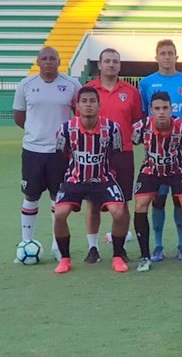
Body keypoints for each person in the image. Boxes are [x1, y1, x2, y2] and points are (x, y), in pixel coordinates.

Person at [14, 47, 81, 262]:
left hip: (60, 152)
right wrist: (36, 132)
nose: (49, 62)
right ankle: (25, 242)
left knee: (57, 199)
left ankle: (57, 245)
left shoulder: (72, 85)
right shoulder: (26, 85)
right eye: (44, 58)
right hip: (32, 151)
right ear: (38, 61)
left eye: (53, 58)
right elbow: (19, 117)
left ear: (60, 61)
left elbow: (79, 114)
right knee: (31, 196)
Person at [52, 87, 128, 274]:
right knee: (59, 214)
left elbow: (117, 155)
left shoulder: (112, 128)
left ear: (99, 105)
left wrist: (112, 176)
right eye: (84, 101)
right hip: (75, 179)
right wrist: (65, 180)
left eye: (92, 101)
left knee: (119, 212)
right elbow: (60, 156)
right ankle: (65, 259)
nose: (88, 105)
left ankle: (117, 256)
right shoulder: (65, 129)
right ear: (77, 106)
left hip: (103, 179)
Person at [138, 39, 182, 262]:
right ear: (156, 57)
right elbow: (144, 117)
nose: (167, 57)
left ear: (176, 57)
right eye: (163, 53)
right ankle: (158, 246)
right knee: (157, 200)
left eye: (171, 53)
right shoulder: (145, 83)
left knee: (181, 200)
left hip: (181, 157)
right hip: (155, 156)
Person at [84, 48, 142, 264]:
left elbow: (137, 122)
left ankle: (121, 247)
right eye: (106, 61)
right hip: (94, 154)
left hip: (123, 154)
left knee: (123, 201)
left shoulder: (131, 91)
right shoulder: (88, 90)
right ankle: (93, 248)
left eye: (115, 61)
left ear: (120, 66)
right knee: (93, 202)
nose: (111, 65)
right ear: (99, 65)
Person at [131, 92, 182, 272]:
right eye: (157, 109)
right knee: (141, 205)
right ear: (151, 110)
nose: (161, 112)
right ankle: (146, 255)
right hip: (152, 170)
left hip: (177, 170)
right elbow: (134, 141)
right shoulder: (141, 127)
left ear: (171, 109)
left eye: (165, 108)